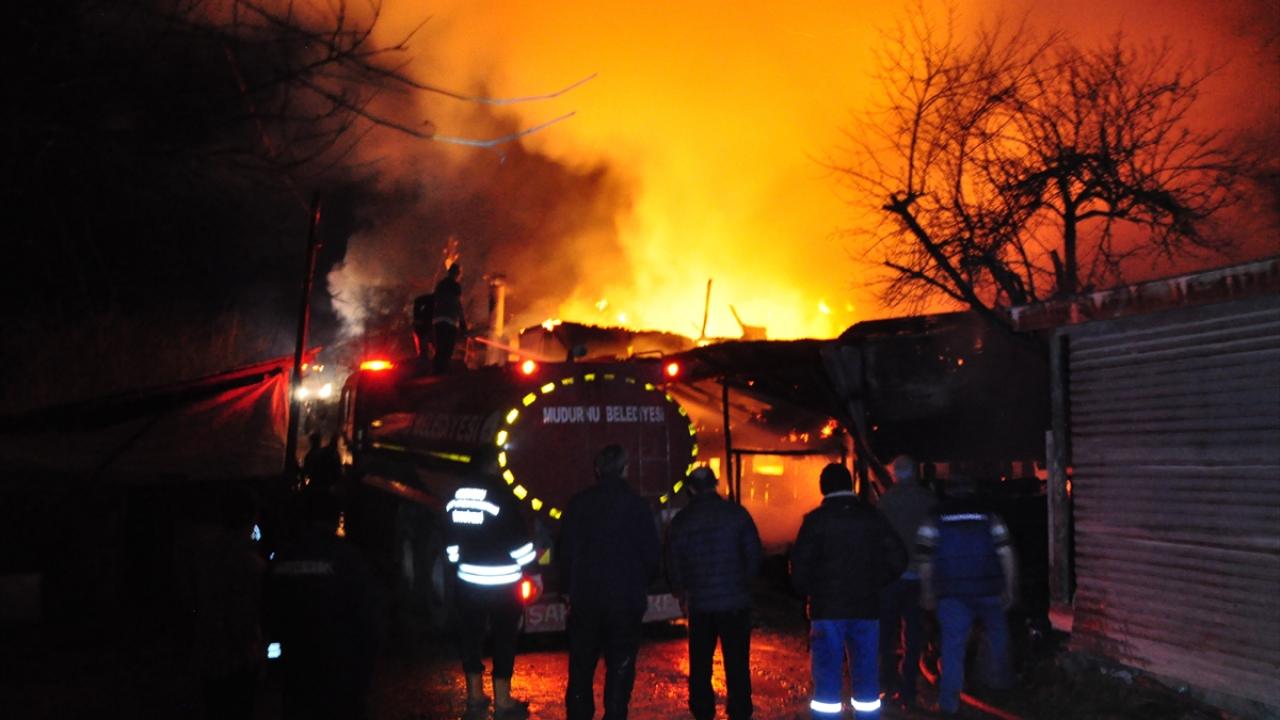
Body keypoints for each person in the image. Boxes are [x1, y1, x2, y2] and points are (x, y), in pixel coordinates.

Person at [790, 463, 907, 720]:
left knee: (827, 674)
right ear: (850, 485)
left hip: (827, 609)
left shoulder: (815, 521)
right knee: (866, 672)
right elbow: (899, 558)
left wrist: (810, 592)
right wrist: (874, 582)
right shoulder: (872, 517)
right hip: (866, 607)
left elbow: (799, 569)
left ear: (823, 487)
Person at [557, 444, 660, 720]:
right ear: (626, 469)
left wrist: (566, 589)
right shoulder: (638, 507)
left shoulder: (579, 504)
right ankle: (614, 714)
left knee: (581, 666)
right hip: (626, 601)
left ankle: (579, 714)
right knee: (620, 666)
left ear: (597, 470)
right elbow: (651, 555)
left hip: (586, 599)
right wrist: (643, 584)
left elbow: (565, 552)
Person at [265, 491, 382, 720]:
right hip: (339, 670)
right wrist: (364, 672)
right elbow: (368, 619)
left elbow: (269, 612)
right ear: (337, 518)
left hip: (296, 668)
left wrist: (275, 664)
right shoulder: (348, 558)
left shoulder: (284, 557)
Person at [444, 446, 536, 720]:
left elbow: (451, 541)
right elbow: (519, 544)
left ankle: (475, 697)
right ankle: (503, 701)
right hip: (503, 585)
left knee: (471, 638)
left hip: (468, 584)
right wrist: (532, 570)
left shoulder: (457, 496)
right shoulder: (502, 495)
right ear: (493, 466)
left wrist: (458, 564)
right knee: (504, 640)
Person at [916, 473, 1018, 716]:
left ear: (948, 491)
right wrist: (1010, 587)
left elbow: (925, 558)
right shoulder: (990, 516)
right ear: (974, 489)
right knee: (998, 638)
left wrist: (927, 590)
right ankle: (1001, 690)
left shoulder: (935, 517)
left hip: (951, 593)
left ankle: (949, 704)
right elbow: (1006, 553)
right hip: (989, 590)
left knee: (953, 647)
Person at [666, 466, 763, 720]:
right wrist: (744, 586)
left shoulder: (682, 521)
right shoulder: (737, 514)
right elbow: (754, 554)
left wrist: (681, 591)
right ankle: (740, 710)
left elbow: (674, 562)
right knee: (737, 662)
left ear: (690, 489)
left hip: (700, 604)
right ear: (715, 484)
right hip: (735, 603)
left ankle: (703, 710)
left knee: (700, 663)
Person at [188, 487, 265, 720]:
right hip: (237, 660)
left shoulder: (205, 554)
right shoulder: (250, 564)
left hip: (209, 652)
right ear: (251, 519)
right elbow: (243, 615)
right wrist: (252, 651)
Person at [876, 454, 935, 709]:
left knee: (886, 636)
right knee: (913, 636)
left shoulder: (886, 502)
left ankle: (887, 688)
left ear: (894, 474)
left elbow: (878, 539)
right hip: (919, 577)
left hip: (891, 578)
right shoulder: (928, 500)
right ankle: (909, 689)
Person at [431, 263, 467, 374]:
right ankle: (443, 372)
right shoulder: (455, 286)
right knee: (448, 346)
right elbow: (457, 304)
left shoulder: (440, 284)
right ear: (457, 273)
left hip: (438, 319)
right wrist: (462, 322)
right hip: (450, 320)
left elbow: (435, 300)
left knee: (440, 346)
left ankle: (437, 370)